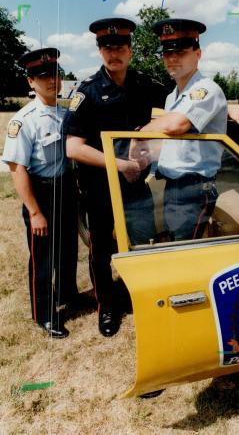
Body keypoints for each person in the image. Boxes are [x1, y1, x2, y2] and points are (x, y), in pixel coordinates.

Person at [63, 18, 166, 337]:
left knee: (143, 240)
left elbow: (180, 106)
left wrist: (225, 108)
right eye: (107, 47)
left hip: (136, 188)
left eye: (120, 46)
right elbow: (72, 147)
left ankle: (141, 295)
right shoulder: (88, 91)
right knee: (101, 249)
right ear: (99, 51)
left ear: (130, 50)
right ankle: (106, 306)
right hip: (99, 187)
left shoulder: (144, 84)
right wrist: (120, 164)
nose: (114, 53)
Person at [134, 18, 239, 241]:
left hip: (194, 189)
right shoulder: (173, 96)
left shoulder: (206, 89)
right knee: (170, 245)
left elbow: (176, 124)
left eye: (180, 52)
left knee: (180, 253)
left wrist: (139, 134)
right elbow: (173, 140)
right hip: (174, 186)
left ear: (197, 54)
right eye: (167, 53)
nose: (172, 58)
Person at [2, 48, 78, 338]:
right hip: (41, 194)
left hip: (66, 189)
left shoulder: (66, 112)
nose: (51, 80)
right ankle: (44, 314)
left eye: (55, 74)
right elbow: (16, 168)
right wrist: (35, 212)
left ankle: (68, 295)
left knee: (68, 250)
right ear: (30, 82)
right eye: (43, 76)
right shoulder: (24, 120)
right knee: (43, 258)